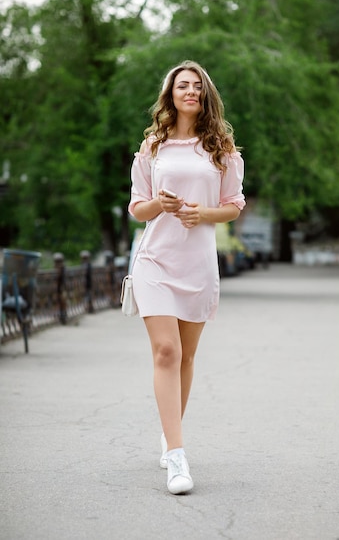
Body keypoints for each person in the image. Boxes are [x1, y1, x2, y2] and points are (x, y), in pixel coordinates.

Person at [128, 60, 245, 495]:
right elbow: (137, 207)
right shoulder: (152, 148)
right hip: (155, 260)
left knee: (187, 357)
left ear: (205, 94)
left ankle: (169, 430)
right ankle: (177, 457)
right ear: (170, 94)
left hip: (197, 264)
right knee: (165, 351)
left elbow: (233, 204)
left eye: (197, 86)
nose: (190, 91)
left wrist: (203, 214)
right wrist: (160, 203)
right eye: (183, 85)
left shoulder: (222, 148)